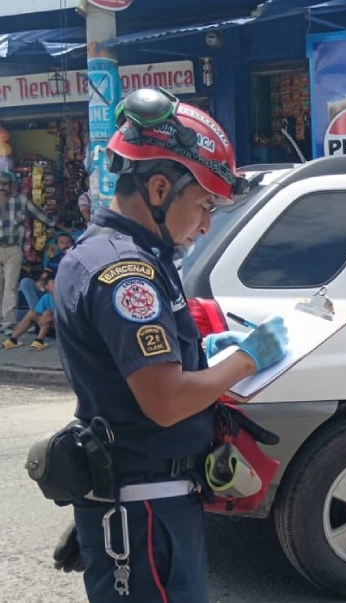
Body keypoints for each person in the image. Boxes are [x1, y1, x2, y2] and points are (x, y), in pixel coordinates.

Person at [49, 87, 289, 602]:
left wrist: (204, 350)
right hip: (146, 511)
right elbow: (166, 401)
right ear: (159, 188)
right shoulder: (125, 274)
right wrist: (248, 359)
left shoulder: (118, 255)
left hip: (145, 504)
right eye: (203, 205)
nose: (205, 225)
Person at [0, 170, 60, 333]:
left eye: (6, 184)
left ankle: (8, 323)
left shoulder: (20, 200)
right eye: (0, 184)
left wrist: (57, 224)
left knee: (10, 286)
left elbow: (39, 214)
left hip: (13, 249)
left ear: (11, 186)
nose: (2, 187)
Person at [3, 270, 55, 350]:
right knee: (32, 313)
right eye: (53, 283)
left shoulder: (63, 298)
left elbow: (67, 316)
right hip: (46, 326)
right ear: (46, 286)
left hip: (60, 327)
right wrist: (41, 319)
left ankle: (39, 341)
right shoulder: (46, 298)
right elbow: (37, 313)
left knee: (47, 313)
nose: (57, 285)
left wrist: (48, 318)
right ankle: (13, 339)